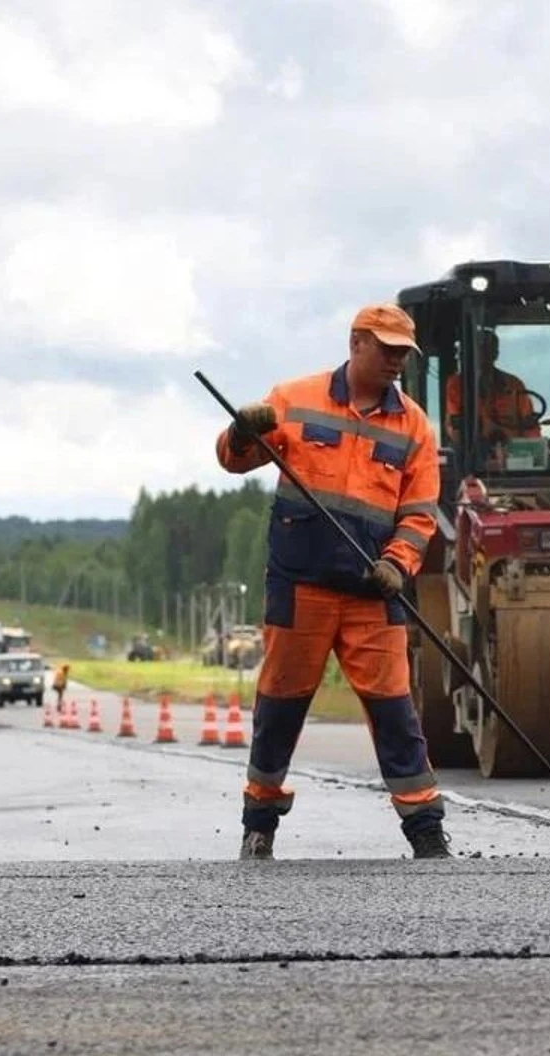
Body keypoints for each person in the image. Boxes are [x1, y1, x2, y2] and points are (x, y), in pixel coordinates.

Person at [214, 302, 450, 861]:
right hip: (301, 590)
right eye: (387, 349)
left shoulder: (414, 425)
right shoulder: (293, 400)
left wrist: (396, 564)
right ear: (356, 343)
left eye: (403, 353)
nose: (396, 361)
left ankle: (426, 831)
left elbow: (419, 515)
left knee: (396, 713)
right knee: (280, 707)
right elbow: (234, 460)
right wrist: (242, 431)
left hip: (374, 593)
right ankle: (259, 825)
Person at [444, 328, 541, 452]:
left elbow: (530, 425)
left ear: (496, 354)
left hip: (511, 461)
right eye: (478, 351)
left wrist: (534, 451)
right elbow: (455, 427)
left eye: (486, 351)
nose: (482, 357)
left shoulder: (514, 385)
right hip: (472, 460)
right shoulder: (456, 385)